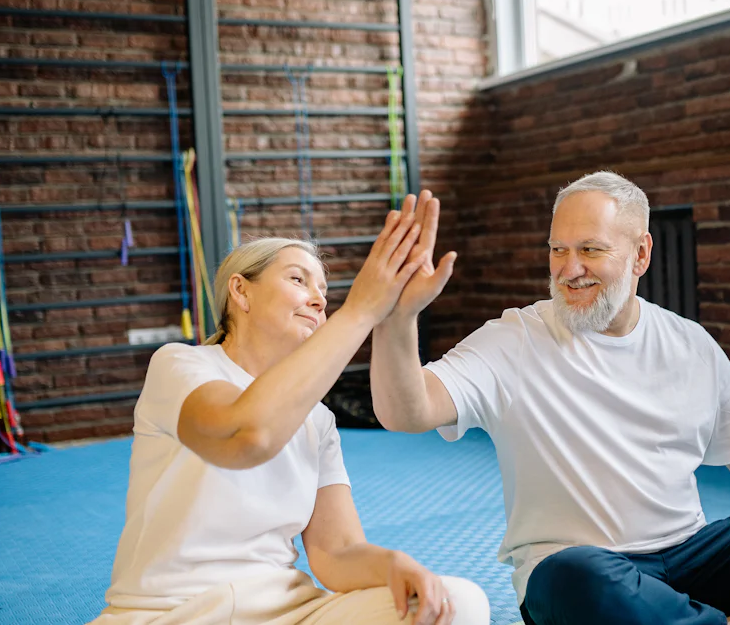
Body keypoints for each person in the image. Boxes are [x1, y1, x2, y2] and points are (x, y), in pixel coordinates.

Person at [370, 173, 730, 625]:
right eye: (558, 249)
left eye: (591, 249)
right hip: (586, 579)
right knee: (572, 574)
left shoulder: (689, 343)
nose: (569, 267)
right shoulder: (513, 340)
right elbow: (406, 410)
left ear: (641, 254)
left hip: (694, 557)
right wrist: (398, 316)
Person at [90, 198, 489, 625]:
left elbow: (335, 553)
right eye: (299, 280)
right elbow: (246, 436)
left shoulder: (318, 420)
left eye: (324, 291)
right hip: (172, 614)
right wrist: (360, 310)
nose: (319, 300)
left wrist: (395, 565)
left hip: (286, 614)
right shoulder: (180, 366)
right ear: (240, 291)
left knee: (455, 603)